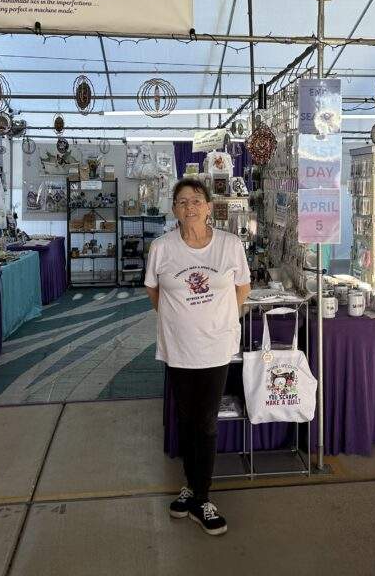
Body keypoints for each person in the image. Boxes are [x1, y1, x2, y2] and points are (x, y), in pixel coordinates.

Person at [145, 177, 251, 536]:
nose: (190, 207)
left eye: (196, 200)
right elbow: (153, 291)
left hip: (216, 347)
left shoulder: (229, 245)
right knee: (187, 419)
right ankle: (191, 486)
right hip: (178, 348)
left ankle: (202, 498)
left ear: (208, 207)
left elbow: (242, 287)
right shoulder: (161, 248)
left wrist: (218, 322)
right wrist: (179, 322)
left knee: (205, 422)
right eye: (182, 201)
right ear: (174, 210)